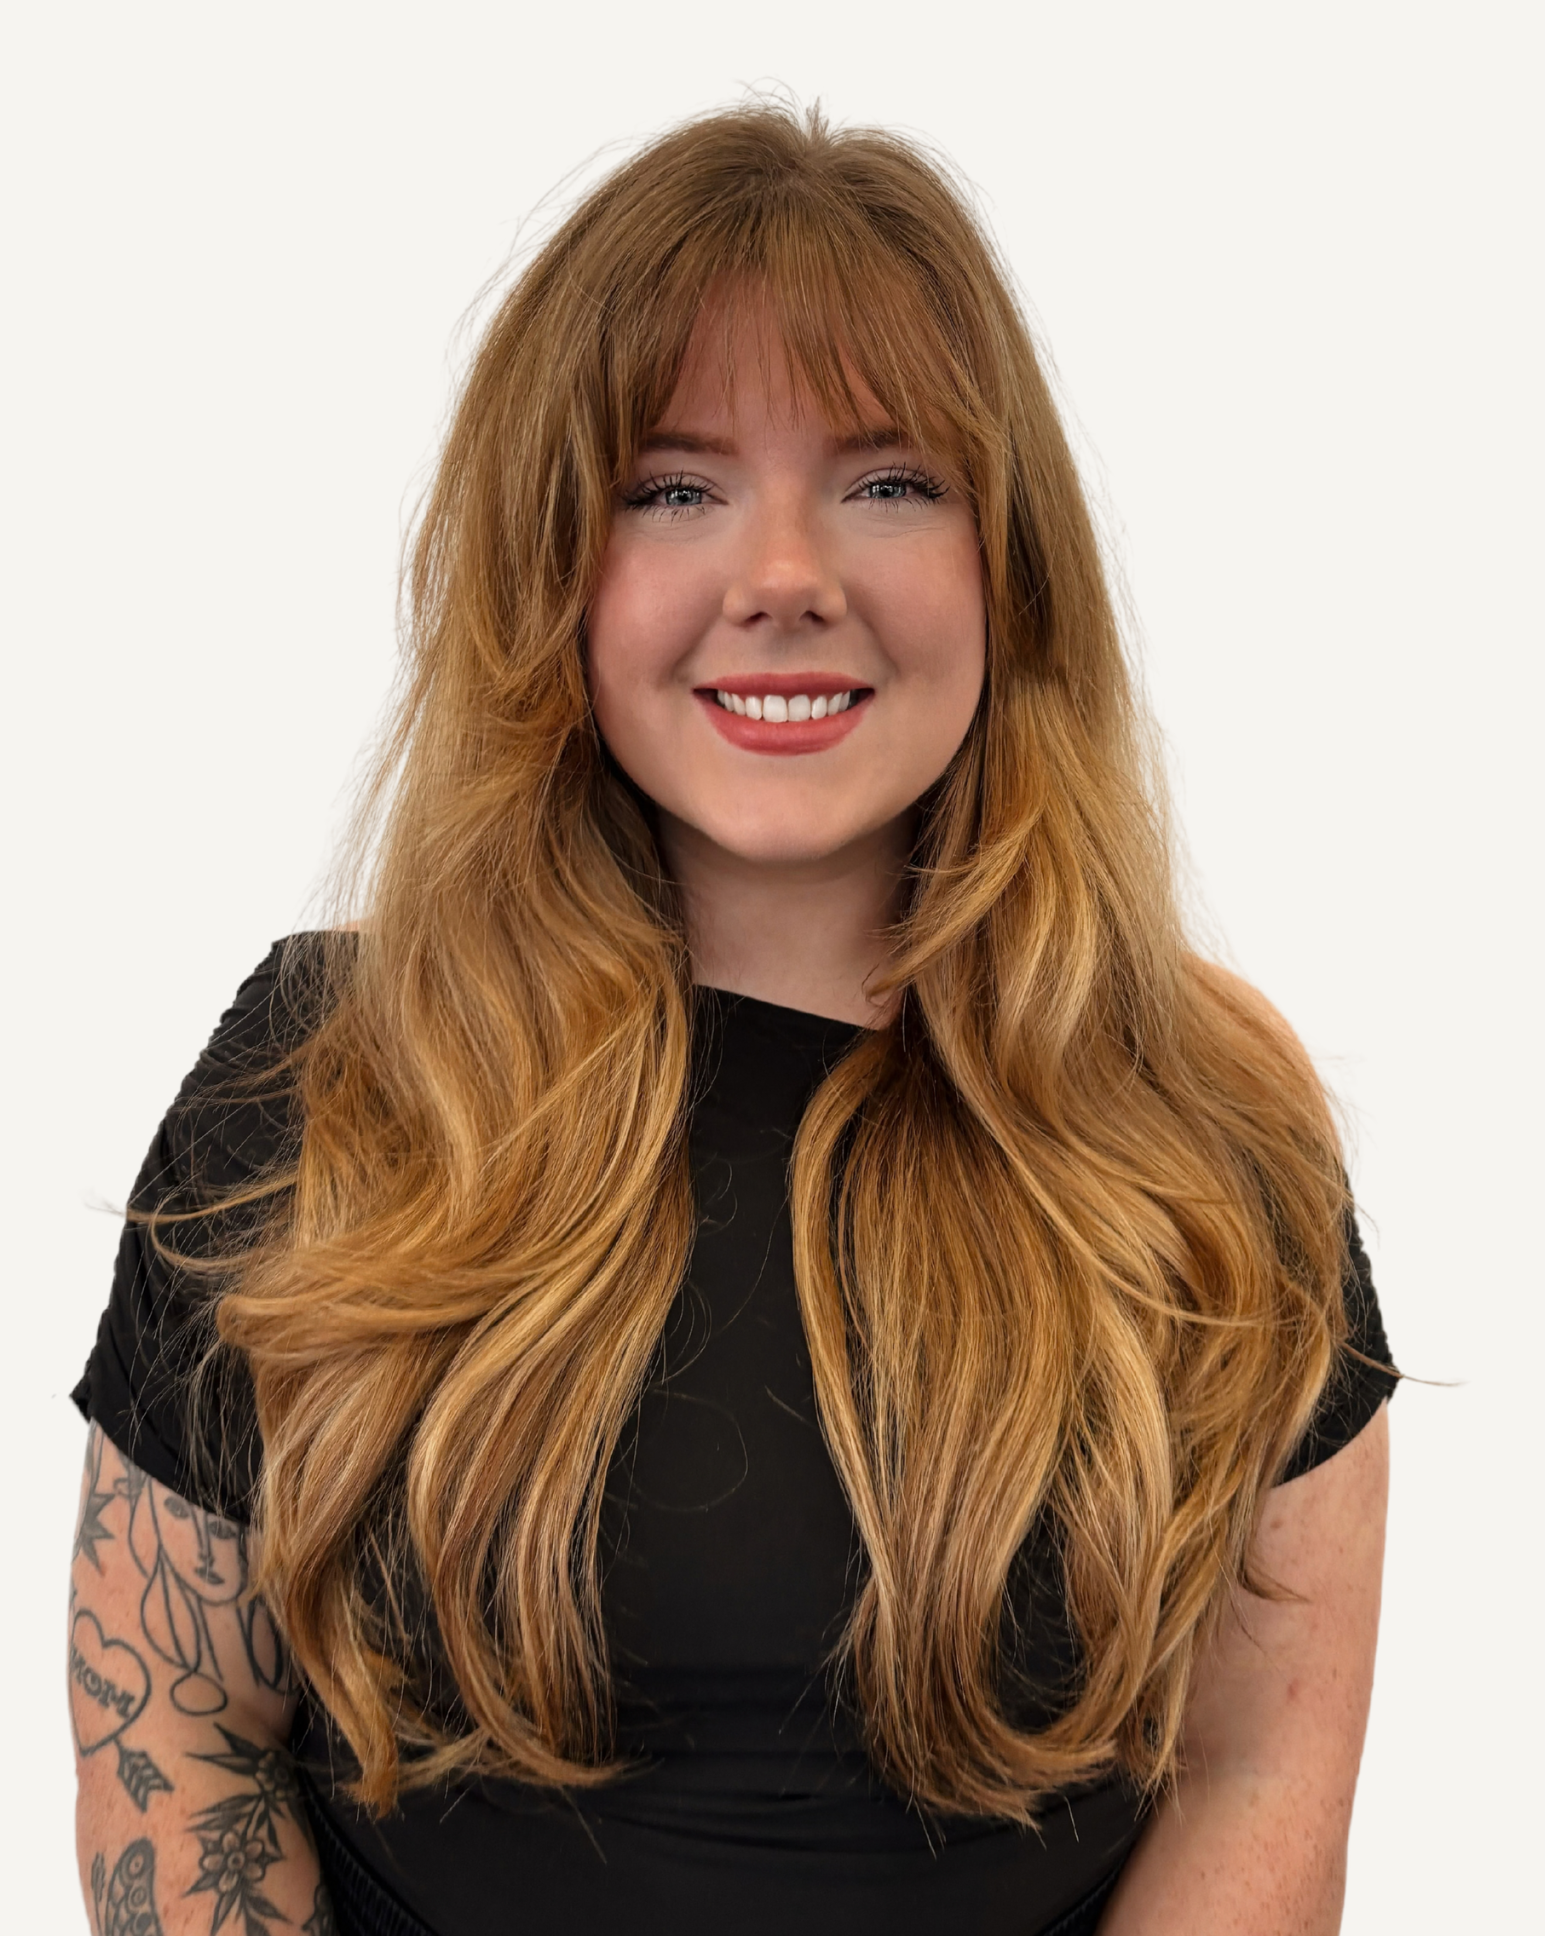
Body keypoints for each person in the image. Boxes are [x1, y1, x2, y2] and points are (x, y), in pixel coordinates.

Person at [69, 102, 1395, 1936]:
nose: (785, 574)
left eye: (889, 480)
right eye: (675, 488)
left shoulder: (1207, 1112)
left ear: (1009, 562)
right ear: (557, 572)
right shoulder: (330, 1082)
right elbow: (182, 1750)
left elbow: (1257, 1777)